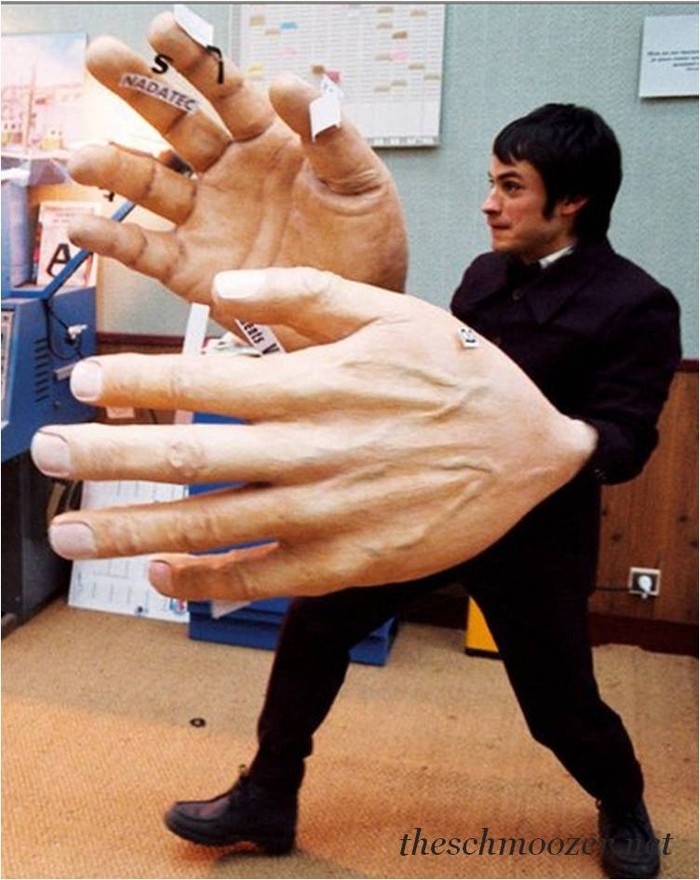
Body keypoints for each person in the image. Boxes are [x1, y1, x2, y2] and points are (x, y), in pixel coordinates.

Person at [29, 15, 680, 880]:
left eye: (511, 186)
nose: (489, 202)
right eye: (490, 181)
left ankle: (624, 801)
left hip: (534, 533)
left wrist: (553, 439)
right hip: (418, 503)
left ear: (573, 202)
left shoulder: (637, 303)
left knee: (559, 706)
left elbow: (628, 441)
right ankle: (268, 793)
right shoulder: (485, 277)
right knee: (316, 623)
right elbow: (419, 378)